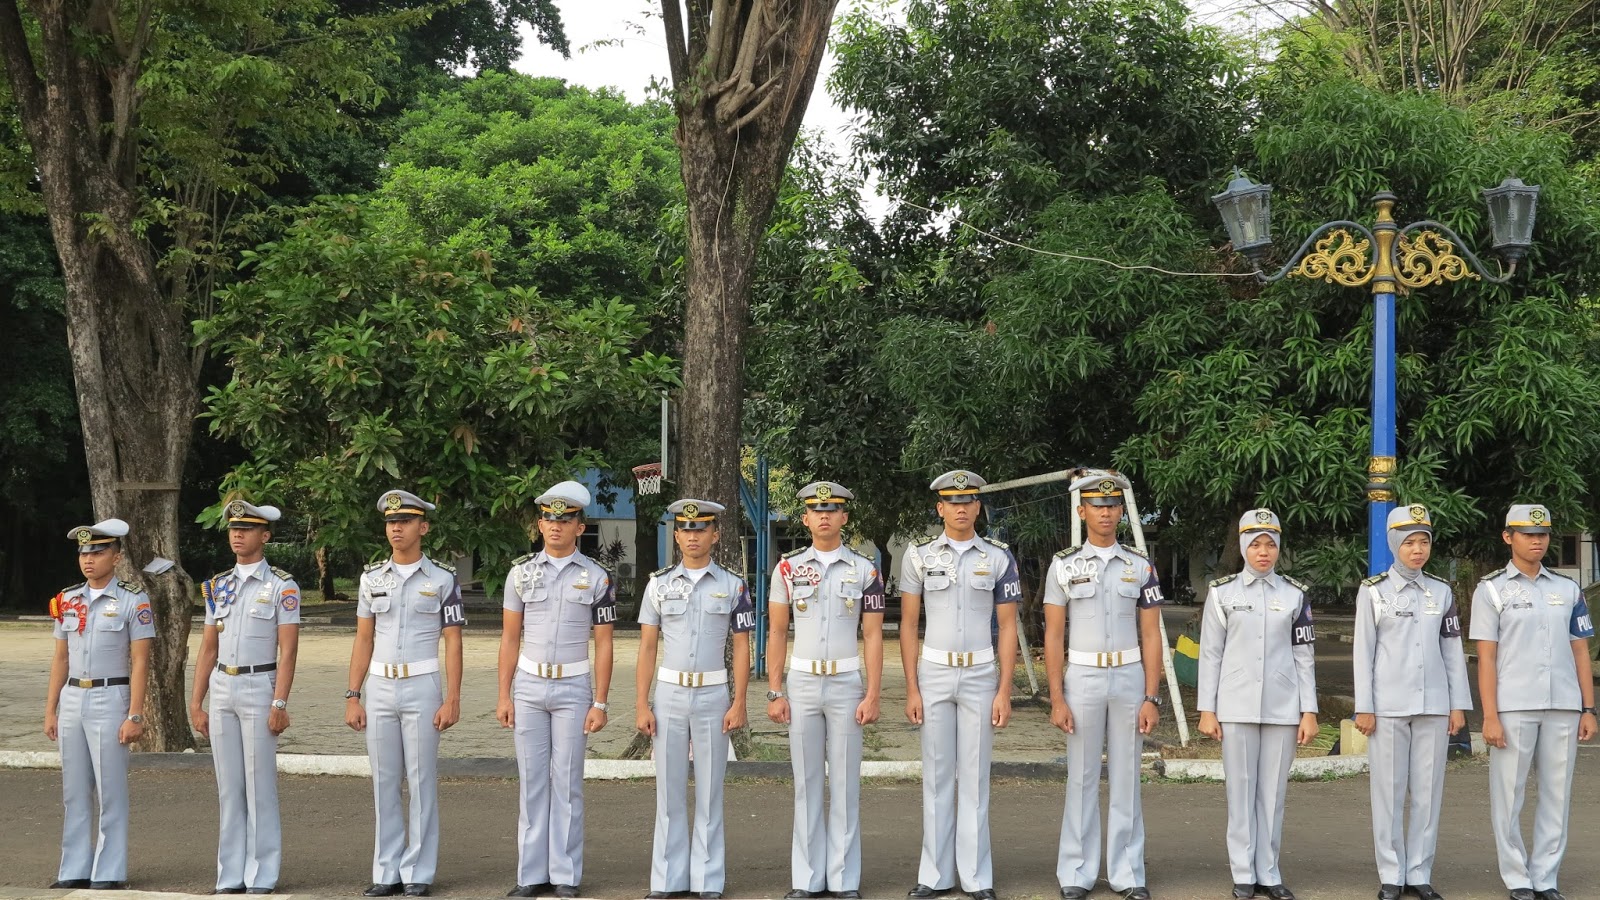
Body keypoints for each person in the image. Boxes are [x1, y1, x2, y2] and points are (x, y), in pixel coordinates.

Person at [1043, 472, 1164, 900]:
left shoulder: (1140, 565)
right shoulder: (1064, 565)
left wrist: (1151, 696)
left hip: (1129, 676)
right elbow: (1053, 635)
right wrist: (1056, 698)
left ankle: (1128, 872)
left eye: (1112, 505)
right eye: (1097, 505)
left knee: (1127, 776)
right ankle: (1076, 871)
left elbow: (1151, 634)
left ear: (1120, 512)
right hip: (1083, 677)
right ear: (1082, 511)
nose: (1106, 512)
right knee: (1081, 776)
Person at [901, 469, 1020, 900]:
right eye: (953, 502)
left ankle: (976, 876)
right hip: (934, 672)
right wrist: (912, 688)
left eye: (968, 501)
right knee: (936, 777)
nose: (961, 508)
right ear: (940, 508)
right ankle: (934, 875)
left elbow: (1008, 626)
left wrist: (1004, 689)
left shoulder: (999, 557)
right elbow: (908, 625)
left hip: (980, 674)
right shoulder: (918, 556)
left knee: (975, 777)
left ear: (978, 507)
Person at [765, 481, 886, 900]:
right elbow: (777, 631)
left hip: (846, 683)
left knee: (846, 784)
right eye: (816, 510)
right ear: (805, 518)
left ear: (844, 517)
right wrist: (775, 691)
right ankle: (807, 878)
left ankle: (844, 879)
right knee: (806, 783)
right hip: (801, 683)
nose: (824, 516)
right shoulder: (787, 568)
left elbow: (873, 635)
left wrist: (873, 693)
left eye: (832, 510)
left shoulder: (866, 569)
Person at [497, 481, 617, 899]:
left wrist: (600, 701)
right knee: (532, 781)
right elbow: (509, 638)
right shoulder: (520, 573)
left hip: (573, 687)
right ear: (539, 523)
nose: (555, 526)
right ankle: (531, 874)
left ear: (579, 527)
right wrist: (504, 694)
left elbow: (605, 643)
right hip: (529, 685)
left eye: (564, 520)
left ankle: (565, 874)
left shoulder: (597, 577)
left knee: (567, 783)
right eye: (549, 518)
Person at [1470, 503, 1596, 900]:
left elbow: (1580, 650)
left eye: (1542, 534)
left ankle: (1545, 877)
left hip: (1563, 705)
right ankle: (1517, 878)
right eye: (1527, 534)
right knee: (1509, 796)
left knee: (1557, 796)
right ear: (1508, 537)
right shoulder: (1491, 590)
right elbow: (1486, 657)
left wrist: (1588, 708)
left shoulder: (1567, 589)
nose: (1537, 541)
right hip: (1514, 706)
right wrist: (1489, 715)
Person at [345, 489, 466, 898]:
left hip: (422, 684)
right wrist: (352, 694)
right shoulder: (371, 578)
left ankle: (418, 871)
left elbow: (453, 641)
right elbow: (363, 638)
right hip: (379, 686)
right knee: (384, 781)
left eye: (405, 521)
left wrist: (453, 698)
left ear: (423, 527)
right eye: (391, 522)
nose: (396, 528)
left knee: (421, 780)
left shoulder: (443, 578)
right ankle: (387, 871)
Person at [636, 499, 755, 900]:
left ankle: (708, 880)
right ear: (676, 535)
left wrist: (739, 702)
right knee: (668, 791)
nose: (693, 536)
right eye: (686, 529)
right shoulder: (658, 584)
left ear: (715, 535)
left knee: (710, 791)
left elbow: (742, 646)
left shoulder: (734, 585)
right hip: (669, 693)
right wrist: (641, 703)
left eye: (701, 529)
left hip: (713, 694)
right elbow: (647, 647)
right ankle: (667, 880)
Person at [1197, 508, 1319, 900]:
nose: (1263, 552)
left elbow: (1304, 656)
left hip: (1283, 706)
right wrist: (1207, 709)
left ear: (1279, 547)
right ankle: (1243, 874)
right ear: (1243, 546)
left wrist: (1309, 710)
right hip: (1235, 705)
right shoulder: (1222, 593)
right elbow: (1210, 654)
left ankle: (1269, 872)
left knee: (1273, 794)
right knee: (1240, 791)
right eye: (1255, 545)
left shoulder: (1295, 594)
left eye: (1270, 544)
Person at [1352, 504, 1471, 900]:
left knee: (1428, 791)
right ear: (1394, 545)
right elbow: (1363, 651)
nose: (1418, 550)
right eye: (1409, 543)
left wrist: (1457, 704)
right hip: (1388, 705)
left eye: (1424, 542)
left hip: (1434, 705)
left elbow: (1452, 650)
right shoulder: (1373, 591)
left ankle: (1419, 871)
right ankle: (1391, 873)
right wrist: (1364, 706)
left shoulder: (1442, 591)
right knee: (1388, 792)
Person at [190, 500, 302, 895]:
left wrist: (279, 702)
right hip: (223, 685)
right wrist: (196, 702)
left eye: (247, 529)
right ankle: (230, 875)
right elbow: (208, 648)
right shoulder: (218, 585)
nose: (237, 535)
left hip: (259, 684)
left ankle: (262, 874)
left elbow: (288, 651)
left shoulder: (282, 586)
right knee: (228, 786)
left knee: (259, 785)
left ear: (264, 536)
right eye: (234, 529)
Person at [44, 518, 154, 890]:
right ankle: (74, 867)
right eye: (83, 553)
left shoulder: (133, 598)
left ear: (116, 557)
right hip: (73, 696)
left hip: (111, 696)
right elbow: (60, 658)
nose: (88, 560)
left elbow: (140, 660)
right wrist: (51, 709)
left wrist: (135, 713)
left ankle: (109, 870)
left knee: (110, 789)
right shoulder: (68, 599)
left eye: (97, 552)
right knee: (74, 790)